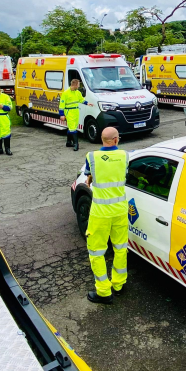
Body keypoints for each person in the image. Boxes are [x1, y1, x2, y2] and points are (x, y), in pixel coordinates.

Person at [82, 127, 129, 304]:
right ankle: (119, 284)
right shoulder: (125, 156)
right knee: (120, 248)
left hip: (100, 214)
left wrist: (91, 177)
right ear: (116, 140)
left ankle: (103, 292)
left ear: (102, 139)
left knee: (96, 252)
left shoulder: (91, 157)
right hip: (120, 211)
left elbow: (90, 176)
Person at [59, 79, 86, 151]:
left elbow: (81, 99)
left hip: (76, 111)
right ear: (75, 85)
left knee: (72, 127)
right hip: (69, 112)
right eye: (78, 85)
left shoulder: (78, 92)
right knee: (73, 128)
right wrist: (61, 114)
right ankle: (76, 144)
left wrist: (87, 103)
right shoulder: (66, 93)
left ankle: (68, 142)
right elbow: (61, 104)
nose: (79, 86)